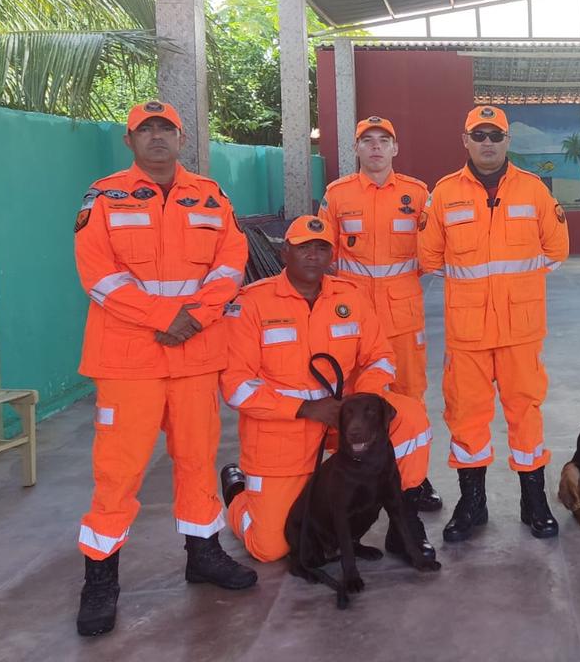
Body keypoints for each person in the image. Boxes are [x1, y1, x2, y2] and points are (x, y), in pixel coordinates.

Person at [72, 100, 256, 638]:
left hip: (196, 356)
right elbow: (98, 274)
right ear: (129, 141)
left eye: (165, 129)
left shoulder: (211, 196)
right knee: (118, 471)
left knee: (198, 460)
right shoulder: (104, 196)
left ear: (182, 139)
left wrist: (193, 318)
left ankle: (203, 555)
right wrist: (166, 316)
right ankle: (100, 580)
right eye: (144, 130)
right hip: (129, 361)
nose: (156, 137)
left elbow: (231, 262)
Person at [217, 215, 435, 563]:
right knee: (272, 548)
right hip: (282, 431)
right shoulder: (252, 304)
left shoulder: (351, 297)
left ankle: (404, 519)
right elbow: (236, 387)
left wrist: (360, 404)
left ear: (331, 254)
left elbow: (380, 357)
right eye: (304, 247)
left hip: (344, 421)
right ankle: (239, 494)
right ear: (285, 252)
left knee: (411, 419)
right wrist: (304, 409)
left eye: (321, 248)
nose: (314, 256)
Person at [418, 104, 570, 542]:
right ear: (465, 140)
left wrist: (516, 284)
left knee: (526, 413)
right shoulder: (444, 194)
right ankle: (473, 503)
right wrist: (474, 289)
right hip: (467, 333)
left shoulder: (534, 190)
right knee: (467, 416)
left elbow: (556, 249)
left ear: (508, 141)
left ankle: (533, 501)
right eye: (479, 134)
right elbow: (430, 257)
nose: (487, 142)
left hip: (521, 330)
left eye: (495, 135)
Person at [318, 115, 442, 512]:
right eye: (367, 140)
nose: (375, 147)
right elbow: (324, 255)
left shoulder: (418, 194)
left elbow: (430, 254)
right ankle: (353, 477)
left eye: (383, 140)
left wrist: (400, 286)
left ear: (395, 148)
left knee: (409, 397)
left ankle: (412, 483)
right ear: (356, 149)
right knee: (353, 399)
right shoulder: (336, 195)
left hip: (403, 317)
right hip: (350, 319)